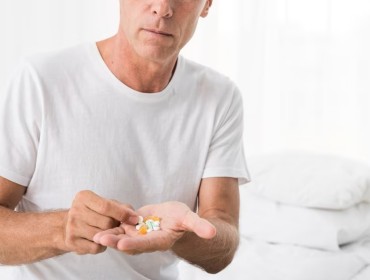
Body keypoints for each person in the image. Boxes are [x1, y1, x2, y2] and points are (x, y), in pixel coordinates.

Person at [0, 0, 249, 279]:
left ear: (207, 5)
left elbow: (222, 247)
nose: (163, 8)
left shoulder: (219, 97)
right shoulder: (41, 79)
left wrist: (182, 233)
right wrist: (62, 229)